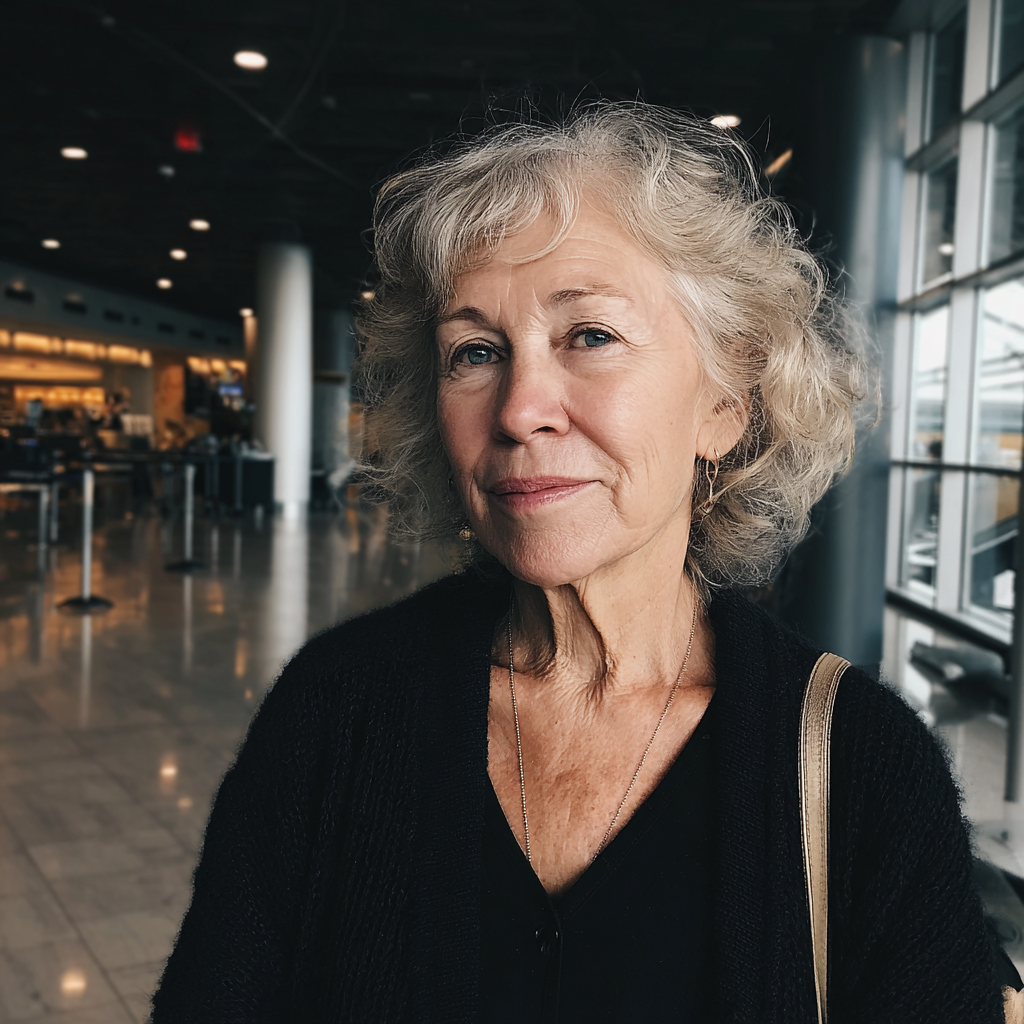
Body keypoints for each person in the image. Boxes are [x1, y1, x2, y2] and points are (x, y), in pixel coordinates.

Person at [151, 103, 1012, 1023]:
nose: (520, 409)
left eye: (590, 336)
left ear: (725, 401)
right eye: (475, 352)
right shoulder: (335, 712)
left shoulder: (863, 769)